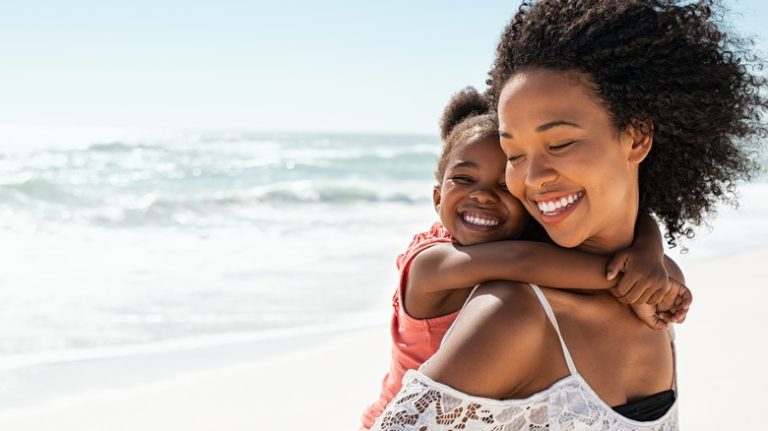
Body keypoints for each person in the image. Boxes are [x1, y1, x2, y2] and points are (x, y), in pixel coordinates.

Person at [372, 0, 766, 429]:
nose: (534, 177)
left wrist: (651, 255)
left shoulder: (652, 294)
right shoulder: (512, 313)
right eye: (514, 154)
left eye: (558, 144)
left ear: (636, 137)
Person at [360, 87, 690, 430]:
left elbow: (630, 218)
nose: (483, 196)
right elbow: (521, 260)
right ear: (437, 197)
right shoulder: (432, 262)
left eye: (504, 185)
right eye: (464, 178)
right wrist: (635, 279)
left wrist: (648, 251)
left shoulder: (518, 241)